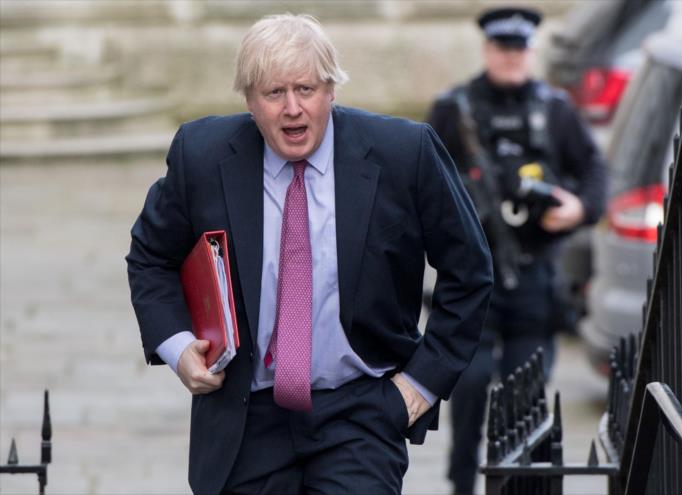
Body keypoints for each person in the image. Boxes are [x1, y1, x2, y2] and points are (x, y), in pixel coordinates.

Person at [126, 13, 493, 495]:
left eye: (307, 89)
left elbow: (470, 270)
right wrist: (178, 349)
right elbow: (151, 256)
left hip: (360, 413)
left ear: (332, 90)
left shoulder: (405, 152)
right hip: (245, 417)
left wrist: (418, 388)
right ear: (249, 101)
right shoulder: (203, 154)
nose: (292, 108)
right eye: (274, 93)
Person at [426, 6, 607, 494]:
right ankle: (463, 481)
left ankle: (516, 485)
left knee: (525, 396)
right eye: (502, 48)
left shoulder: (554, 109)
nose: (511, 57)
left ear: (531, 51)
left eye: (520, 48)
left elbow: (595, 172)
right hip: (472, 280)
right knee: (468, 387)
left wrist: (577, 208)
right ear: (487, 50)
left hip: (534, 278)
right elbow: (421, 184)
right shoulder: (454, 109)